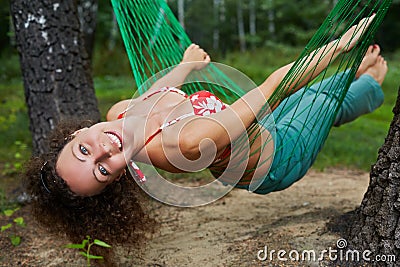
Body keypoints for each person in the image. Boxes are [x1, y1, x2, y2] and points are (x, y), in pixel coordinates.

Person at [24, 15, 387, 257]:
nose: (104, 150)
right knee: (321, 101)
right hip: (279, 157)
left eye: (85, 149)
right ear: (120, 176)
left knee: (310, 100)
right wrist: (341, 45)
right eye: (103, 170)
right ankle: (371, 86)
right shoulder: (185, 143)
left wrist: (186, 66)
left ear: (77, 132)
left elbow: (151, 97)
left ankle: (357, 79)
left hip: (257, 131)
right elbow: (275, 85)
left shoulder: (118, 113)